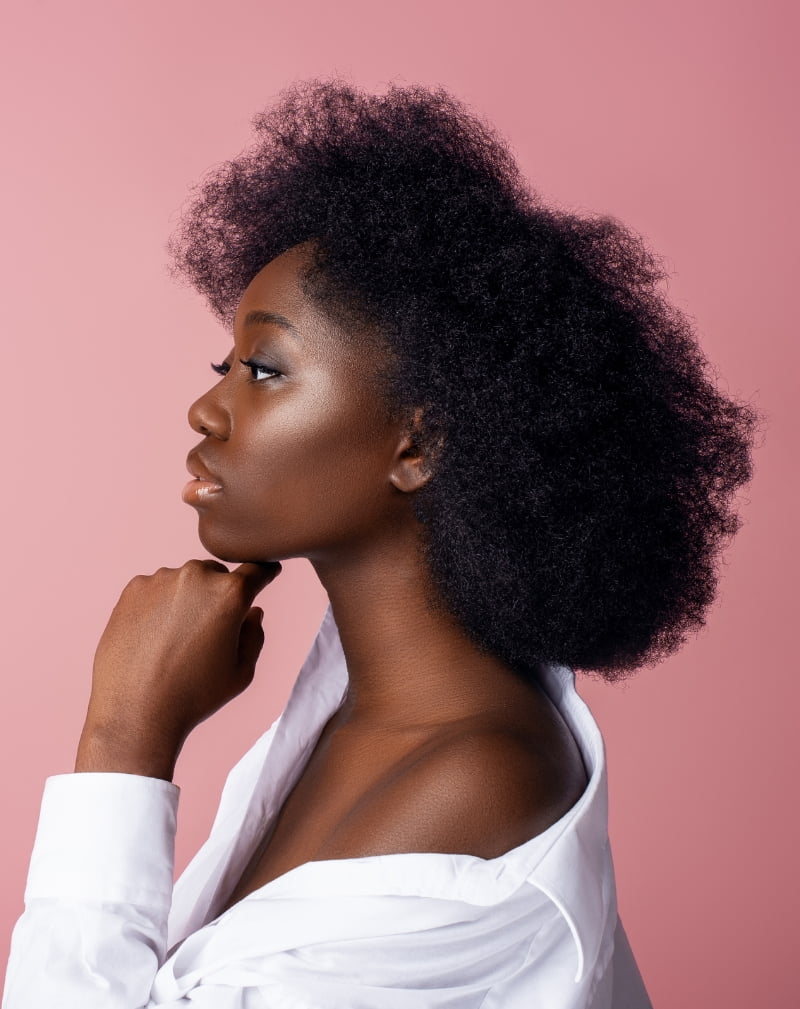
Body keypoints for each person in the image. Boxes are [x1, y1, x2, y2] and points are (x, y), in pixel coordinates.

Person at [2, 79, 759, 1008]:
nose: (206, 408)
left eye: (265, 370)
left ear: (421, 442)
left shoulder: (473, 785)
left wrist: (122, 740)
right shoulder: (363, 717)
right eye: (223, 367)